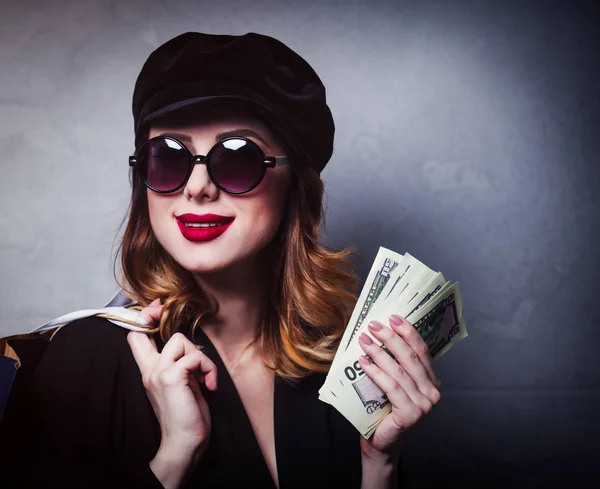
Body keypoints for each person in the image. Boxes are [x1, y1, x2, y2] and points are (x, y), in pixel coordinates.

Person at [0, 32, 441, 489]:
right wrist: (175, 455)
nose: (197, 187)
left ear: (296, 187)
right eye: (168, 157)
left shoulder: (336, 365)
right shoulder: (83, 358)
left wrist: (379, 465)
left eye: (237, 157)